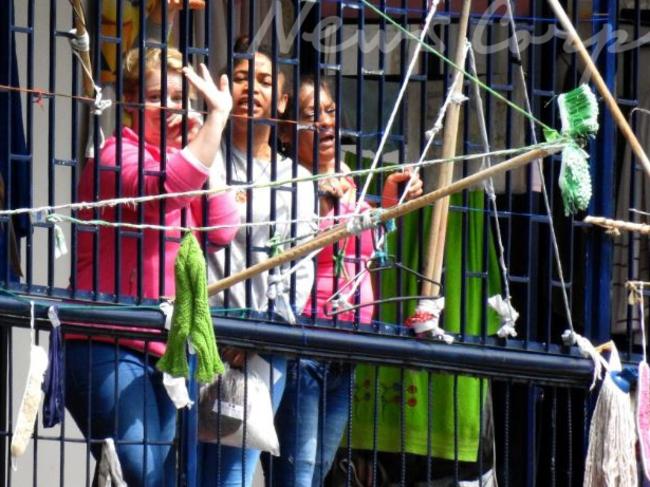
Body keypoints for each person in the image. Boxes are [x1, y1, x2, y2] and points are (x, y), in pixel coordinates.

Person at [66, 46, 239, 486]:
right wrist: (217, 120)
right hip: (106, 341)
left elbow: (220, 232)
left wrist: (207, 147)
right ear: (131, 102)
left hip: (169, 351)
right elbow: (166, 190)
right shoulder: (114, 154)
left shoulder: (186, 160)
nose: (171, 108)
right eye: (158, 96)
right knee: (141, 470)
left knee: (148, 476)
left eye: (181, 98)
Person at [271, 75, 423, 487]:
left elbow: (362, 250)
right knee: (297, 473)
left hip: (348, 345)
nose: (324, 123)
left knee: (317, 468)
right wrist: (320, 199)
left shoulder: (346, 177)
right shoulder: (282, 182)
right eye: (309, 115)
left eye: (329, 112)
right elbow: (287, 251)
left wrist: (390, 201)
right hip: (305, 343)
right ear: (286, 131)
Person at [200, 37, 316, 487]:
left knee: (232, 472)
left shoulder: (298, 180)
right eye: (245, 78)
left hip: (263, 347)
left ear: (283, 100)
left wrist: (257, 337)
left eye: (266, 81)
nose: (254, 88)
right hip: (201, 336)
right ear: (228, 86)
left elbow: (298, 269)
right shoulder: (207, 159)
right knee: (185, 466)